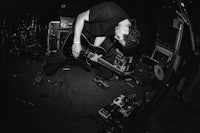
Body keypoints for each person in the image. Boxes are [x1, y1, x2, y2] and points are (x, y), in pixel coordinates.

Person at [35, 2, 141, 89]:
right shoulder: (109, 11)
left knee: (111, 53)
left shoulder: (123, 25)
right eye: (118, 38)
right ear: (126, 30)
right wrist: (76, 43)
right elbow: (81, 17)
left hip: (97, 33)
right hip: (82, 28)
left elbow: (104, 32)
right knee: (64, 52)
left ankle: (100, 77)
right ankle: (44, 70)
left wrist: (95, 50)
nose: (116, 39)